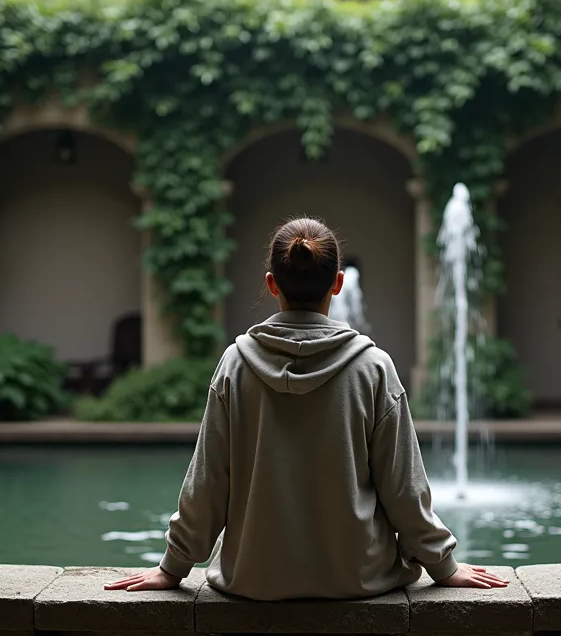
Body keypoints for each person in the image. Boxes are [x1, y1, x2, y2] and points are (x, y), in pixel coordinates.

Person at [105, 216, 507, 600]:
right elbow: (404, 489)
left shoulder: (235, 364)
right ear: (338, 283)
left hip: (253, 580)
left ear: (271, 283)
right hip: (359, 579)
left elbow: (207, 484)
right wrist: (444, 566)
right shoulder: (373, 368)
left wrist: (172, 568)